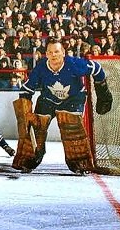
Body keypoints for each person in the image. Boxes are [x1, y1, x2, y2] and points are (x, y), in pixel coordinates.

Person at [13, 39, 113, 174]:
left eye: (57, 52)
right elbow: (27, 89)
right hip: (47, 100)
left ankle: (79, 163)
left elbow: (97, 69)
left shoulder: (74, 64)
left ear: (63, 53)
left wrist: (103, 94)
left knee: (71, 127)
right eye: (50, 52)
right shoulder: (41, 67)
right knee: (36, 126)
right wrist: (25, 111)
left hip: (73, 99)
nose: (54, 55)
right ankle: (29, 159)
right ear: (46, 54)